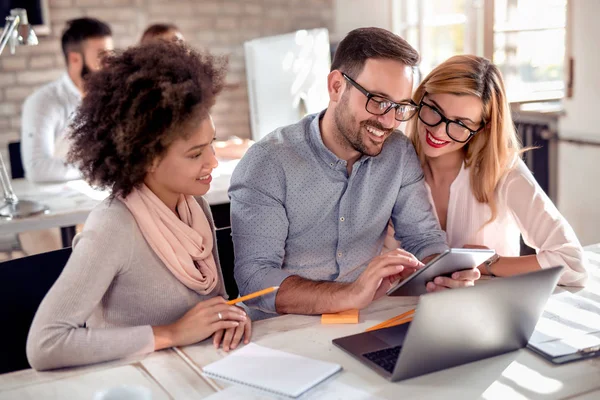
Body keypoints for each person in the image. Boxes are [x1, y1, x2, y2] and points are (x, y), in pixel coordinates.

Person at [26, 41, 251, 371]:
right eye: (195, 153)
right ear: (147, 157)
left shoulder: (195, 207)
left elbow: (211, 306)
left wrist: (231, 316)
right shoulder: (114, 225)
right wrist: (171, 333)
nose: (213, 162)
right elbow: (45, 344)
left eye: (212, 144)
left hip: (204, 373)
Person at [229, 28, 480, 318]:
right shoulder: (269, 162)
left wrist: (444, 273)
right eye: (378, 100)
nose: (389, 121)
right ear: (336, 86)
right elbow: (255, 279)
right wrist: (350, 294)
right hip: (280, 331)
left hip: (363, 319)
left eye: (399, 107)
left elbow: (424, 239)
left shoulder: (397, 152)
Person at [393, 54, 587, 286]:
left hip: (488, 311)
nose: (439, 131)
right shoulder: (395, 165)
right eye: (434, 110)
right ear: (421, 97)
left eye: (460, 123)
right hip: (405, 311)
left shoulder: (505, 172)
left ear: (483, 128)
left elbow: (573, 264)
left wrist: (489, 264)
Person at [21, 18, 113, 183]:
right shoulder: (43, 102)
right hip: (64, 201)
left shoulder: (110, 96)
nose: (109, 65)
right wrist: (97, 167)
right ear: (75, 59)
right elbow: (37, 168)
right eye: (102, 56)